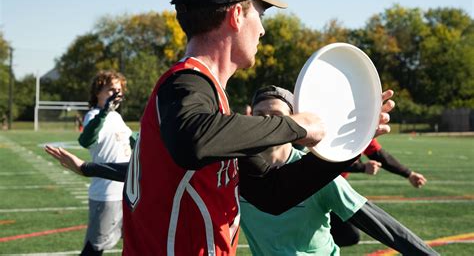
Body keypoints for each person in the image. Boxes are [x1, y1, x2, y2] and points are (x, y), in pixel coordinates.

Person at [119, 0, 394, 255]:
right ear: (237, 14)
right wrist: (296, 126)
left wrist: (349, 144)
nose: (262, 30)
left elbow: (272, 193)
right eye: (260, 14)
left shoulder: (211, 104)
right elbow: (192, 139)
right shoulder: (187, 83)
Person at [43, 86, 435, 256]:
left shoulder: (312, 175)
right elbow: (147, 170)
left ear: (294, 121)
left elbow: (382, 224)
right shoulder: (233, 170)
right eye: (260, 116)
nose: (267, 122)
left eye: (276, 116)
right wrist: (87, 167)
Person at [331, 138, 428, 247]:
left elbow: (379, 155)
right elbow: (324, 161)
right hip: (317, 187)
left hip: (330, 187)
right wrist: (362, 167)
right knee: (347, 235)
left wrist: (409, 174)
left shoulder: (362, 130)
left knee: (348, 236)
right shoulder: (340, 127)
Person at [78, 70, 132, 256]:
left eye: (119, 90)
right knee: (94, 249)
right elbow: (85, 140)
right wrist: (104, 112)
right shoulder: (94, 116)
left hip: (127, 192)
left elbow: (133, 141)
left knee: (136, 243)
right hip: (107, 194)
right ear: (97, 93)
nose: (116, 94)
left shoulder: (116, 117)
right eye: (111, 90)